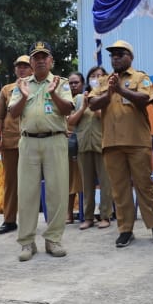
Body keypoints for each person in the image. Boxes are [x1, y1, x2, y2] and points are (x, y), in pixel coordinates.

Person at [88, 40, 153, 247]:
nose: (115, 57)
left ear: (130, 57)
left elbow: (144, 99)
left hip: (136, 141)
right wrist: (110, 92)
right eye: (113, 54)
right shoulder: (103, 81)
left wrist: (121, 91)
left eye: (120, 54)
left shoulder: (140, 77)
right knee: (119, 189)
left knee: (145, 186)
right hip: (111, 143)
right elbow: (92, 103)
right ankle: (125, 229)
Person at [9, 41, 75, 261]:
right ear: (31, 61)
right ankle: (27, 243)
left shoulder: (61, 83)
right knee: (27, 194)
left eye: (44, 57)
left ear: (51, 61)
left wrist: (54, 93)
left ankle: (53, 240)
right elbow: (13, 113)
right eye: (35, 57)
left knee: (57, 191)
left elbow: (67, 109)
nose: (39, 60)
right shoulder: (21, 84)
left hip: (55, 140)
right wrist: (25, 95)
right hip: (28, 142)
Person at [69, 65, 114, 229]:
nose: (96, 78)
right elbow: (70, 122)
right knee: (86, 184)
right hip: (83, 145)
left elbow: (107, 118)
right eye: (93, 76)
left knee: (105, 183)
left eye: (100, 75)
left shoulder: (108, 96)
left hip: (102, 144)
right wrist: (83, 107)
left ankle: (105, 216)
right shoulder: (79, 98)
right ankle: (88, 217)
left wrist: (95, 106)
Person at [0, 55, 32, 234]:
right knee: (10, 182)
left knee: (31, 182)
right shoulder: (7, 90)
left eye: (25, 66)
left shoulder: (37, 87)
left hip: (32, 140)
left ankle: (29, 219)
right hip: (10, 142)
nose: (22, 69)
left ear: (31, 68)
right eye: (19, 66)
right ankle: (9, 220)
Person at [65, 72, 86, 224]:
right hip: (67, 144)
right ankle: (69, 213)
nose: (73, 85)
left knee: (85, 179)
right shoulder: (64, 100)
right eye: (71, 83)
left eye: (76, 82)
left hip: (84, 143)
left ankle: (88, 212)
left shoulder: (86, 99)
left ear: (82, 83)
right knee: (69, 179)